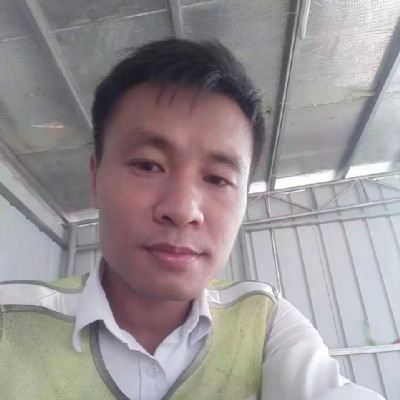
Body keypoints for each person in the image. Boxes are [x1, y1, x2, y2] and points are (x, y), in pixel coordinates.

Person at [0, 39, 384, 400]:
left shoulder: (264, 323)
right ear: (95, 178)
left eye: (217, 179)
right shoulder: (10, 323)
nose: (183, 209)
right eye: (147, 165)